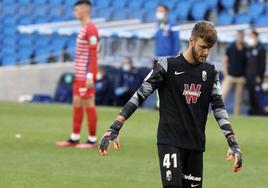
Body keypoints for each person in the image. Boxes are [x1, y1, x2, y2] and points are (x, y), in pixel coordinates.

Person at [98, 21, 242, 188]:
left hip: (195, 145)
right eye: (203, 47)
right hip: (170, 142)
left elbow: (219, 108)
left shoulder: (211, 72)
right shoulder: (167, 65)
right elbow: (140, 95)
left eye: (210, 48)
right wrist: (115, 126)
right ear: (191, 41)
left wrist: (233, 142)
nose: (206, 52)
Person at [56, 0, 99, 148]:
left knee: (88, 104)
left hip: (85, 76)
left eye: (76, 10)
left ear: (84, 10)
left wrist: (90, 76)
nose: (75, 13)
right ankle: (74, 137)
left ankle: (92, 140)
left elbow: (93, 55)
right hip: (78, 75)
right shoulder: (83, 28)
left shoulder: (91, 29)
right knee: (77, 104)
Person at [221, 30, 247, 115]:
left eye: (242, 36)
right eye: (239, 36)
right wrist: (225, 74)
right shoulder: (231, 47)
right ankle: (218, 113)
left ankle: (237, 116)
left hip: (241, 77)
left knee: (238, 100)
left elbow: (248, 64)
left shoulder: (246, 49)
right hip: (230, 76)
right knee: (221, 96)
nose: (240, 38)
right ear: (236, 36)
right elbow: (225, 61)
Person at [246, 30, 266, 115]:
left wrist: (259, 75)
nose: (251, 38)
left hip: (257, 77)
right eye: (250, 37)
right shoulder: (249, 49)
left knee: (257, 96)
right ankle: (252, 113)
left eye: (252, 37)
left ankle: (258, 113)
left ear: (256, 37)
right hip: (249, 77)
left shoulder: (261, 48)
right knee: (250, 96)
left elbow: (262, 64)